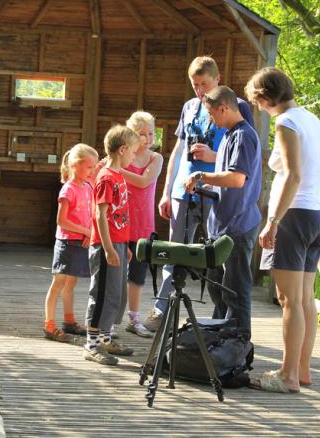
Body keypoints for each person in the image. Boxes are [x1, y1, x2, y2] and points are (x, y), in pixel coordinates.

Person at [144, 56, 254, 332]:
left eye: (204, 83)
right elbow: (179, 151)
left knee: (215, 261)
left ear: (217, 80)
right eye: (195, 85)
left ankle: (222, 324)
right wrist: (167, 191)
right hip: (185, 188)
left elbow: (242, 160)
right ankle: (162, 311)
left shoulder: (236, 108)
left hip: (216, 195)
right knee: (173, 251)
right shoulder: (190, 107)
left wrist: (210, 156)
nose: (200, 90)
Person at [244, 68, 320, 394]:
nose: (260, 107)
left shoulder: (286, 123)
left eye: (258, 101)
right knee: (305, 298)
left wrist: (273, 221)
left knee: (288, 300)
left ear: (266, 97)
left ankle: (288, 375)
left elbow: (293, 176)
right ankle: (301, 370)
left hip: (294, 216)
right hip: (318, 211)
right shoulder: (312, 119)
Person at [182, 85, 261, 341]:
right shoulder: (228, 134)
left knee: (236, 291)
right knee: (219, 286)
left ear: (224, 108)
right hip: (221, 223)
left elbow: (237, 179)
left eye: (213, 115)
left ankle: (238, 345)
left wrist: (200, 175)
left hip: (238, 224)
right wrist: (209, 183)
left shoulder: (244, 136)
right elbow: (227, 175)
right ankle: (218, 339)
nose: (212, 122)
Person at [84, 125, 140, 365]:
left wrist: (123, 245)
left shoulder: (119, 176)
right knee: (103, 294)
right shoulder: (106, 178)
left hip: (118, 243)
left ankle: (106, 339)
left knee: (116, 295)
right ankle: (91, 345)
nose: (134, 157)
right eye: (133, 152)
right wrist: (107, 248)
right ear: (123, 149)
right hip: (105, 246)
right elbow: (100, 215)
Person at [44, 143, 100, 343]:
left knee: (72, 282)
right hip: (67, 243)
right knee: (58, 283)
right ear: (75, 165)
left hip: (81, 242)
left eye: (94, 167)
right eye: (89, 167)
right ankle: (49, 326)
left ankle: (69, 322)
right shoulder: (68, 189)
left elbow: (91, 214)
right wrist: (86, 231)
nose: (93, 171)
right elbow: (62, 220)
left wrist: (88, 233)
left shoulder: (87, 187)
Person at [120, 111, 163, 338]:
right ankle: (107, 321)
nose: (146, 138)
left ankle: (134, 319)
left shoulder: (156, 158)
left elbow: (144, 181)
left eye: (150, 133)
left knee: (137, 275)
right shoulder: (121, 156)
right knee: (114, 272)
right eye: (141, 134)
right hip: (119, 223)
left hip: (142, 225)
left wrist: (117, 169)